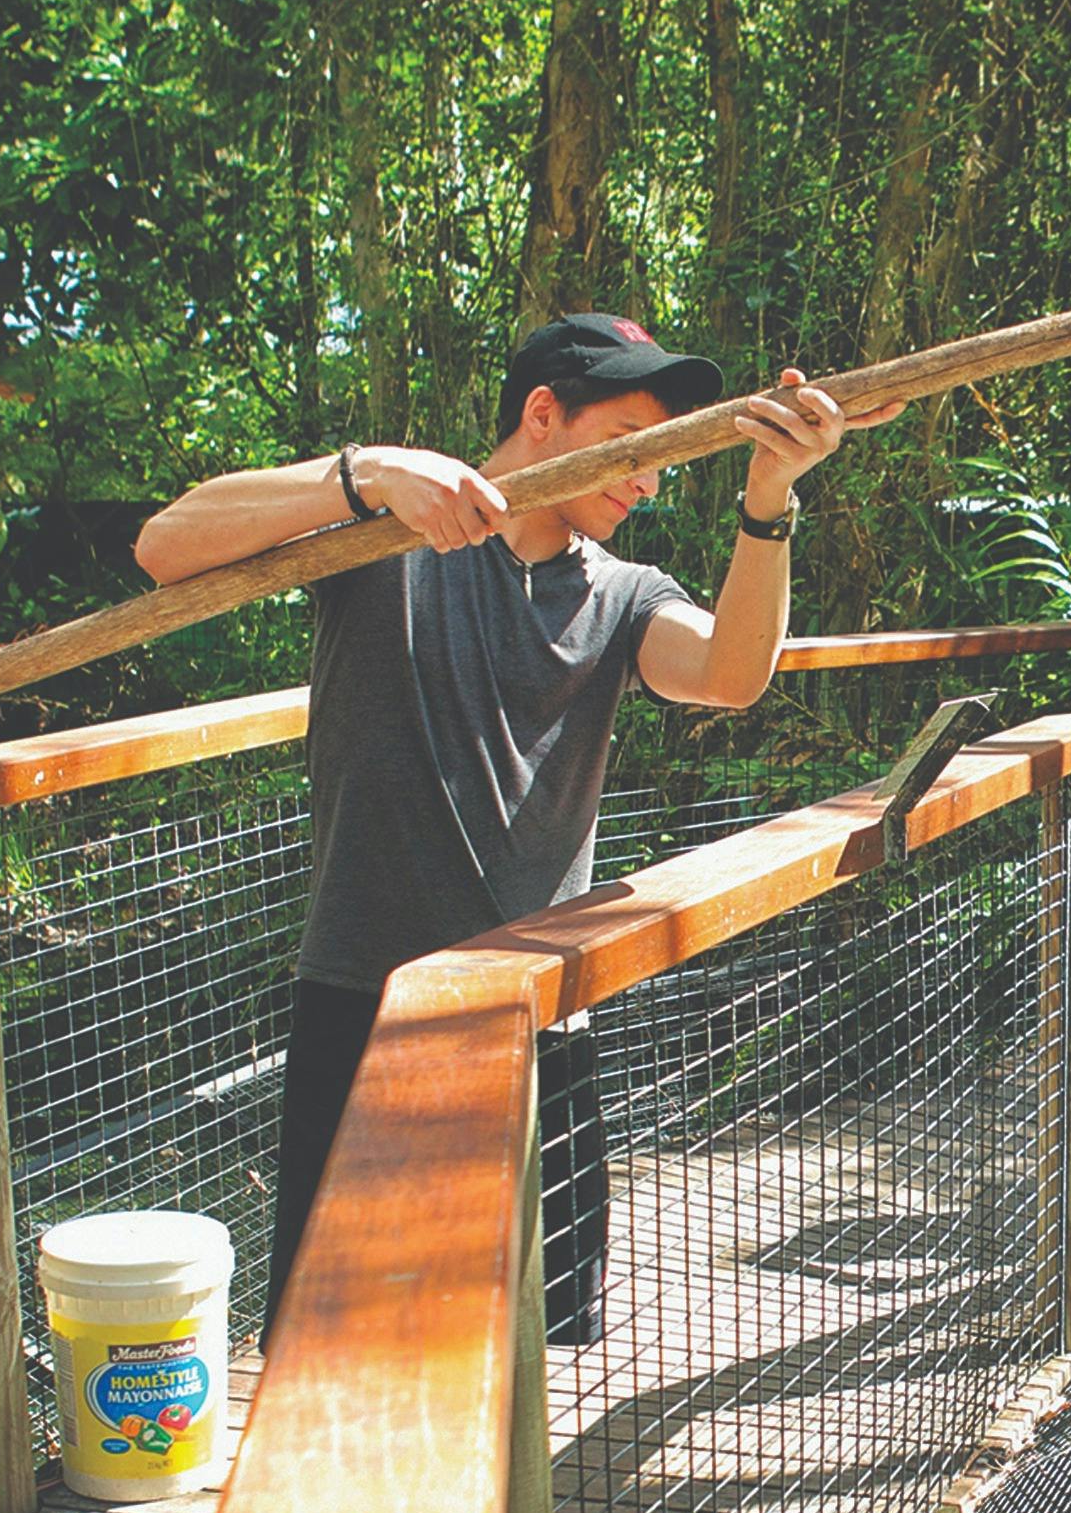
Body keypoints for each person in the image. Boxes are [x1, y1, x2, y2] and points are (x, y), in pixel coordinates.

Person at [135, 314, 875, 1343]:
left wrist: (769, 499)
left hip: (539, 1019)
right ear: (543, 415)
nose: (651, 479)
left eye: (668, 455)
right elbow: (164, 545)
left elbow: (731, 674)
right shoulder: (383, 540)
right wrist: (366, 473)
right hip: (366, 1003)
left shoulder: (621, 596)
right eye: (634, 442)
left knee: (542, 1349)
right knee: (331, 1346)